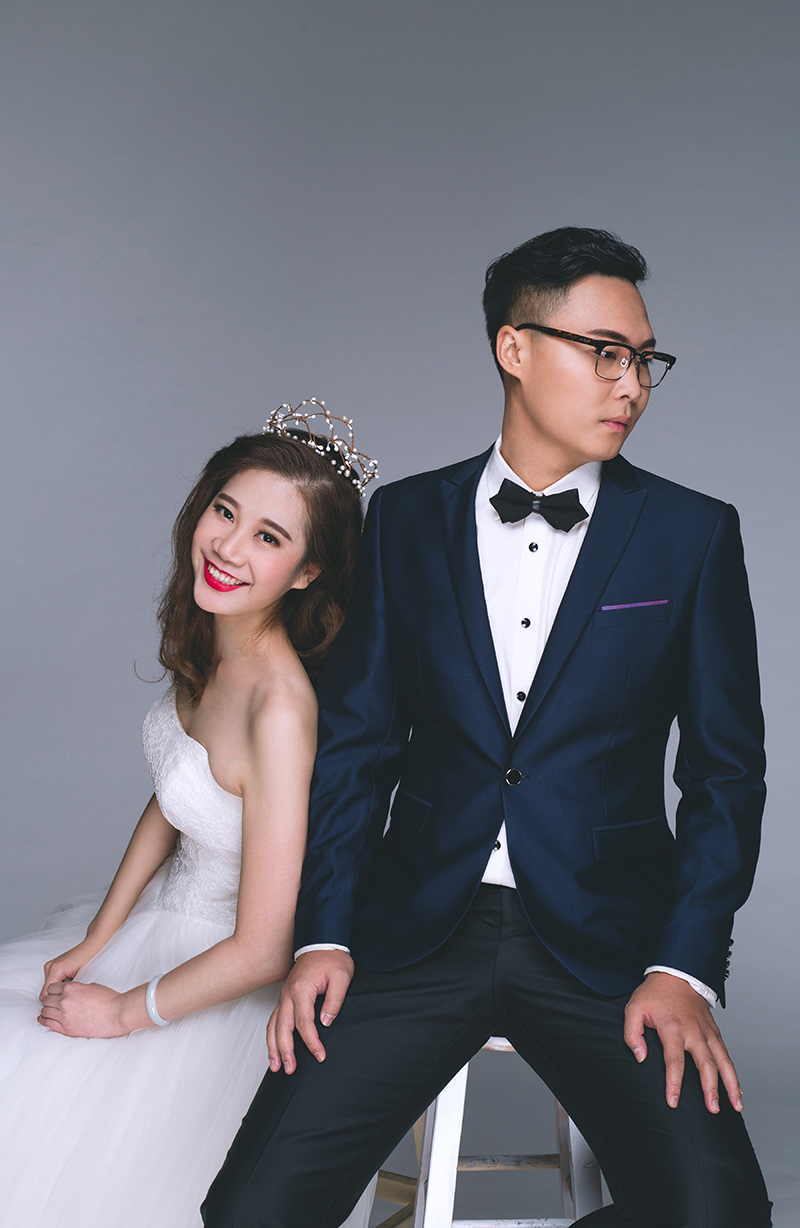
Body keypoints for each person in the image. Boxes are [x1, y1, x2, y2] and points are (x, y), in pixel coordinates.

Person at [202, 229, 772, 1228]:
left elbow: (725, 774)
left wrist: (683, 965)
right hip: (413, 931)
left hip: (611, 945)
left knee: (718, 1213)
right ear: (514, 348)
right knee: (252, 1211)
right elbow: (358, 750)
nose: (631, 385)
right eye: (604, 352)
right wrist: (324, 934)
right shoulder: (403, 520)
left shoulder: (692, 535)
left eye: (645, 360)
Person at [0, 403, 378, 1228]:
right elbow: (176, 794)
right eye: (225, 511)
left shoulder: (281, 709)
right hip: (156, 925)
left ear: (308, 572)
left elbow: (263, 946)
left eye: (269, 538)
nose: (229, 547)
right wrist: (99, 936)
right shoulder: (217, 639)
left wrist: (122, 1010)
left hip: (218, 978)